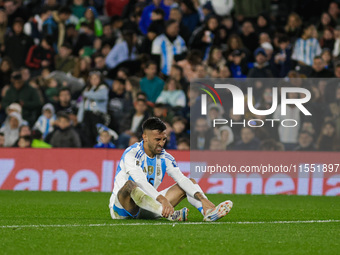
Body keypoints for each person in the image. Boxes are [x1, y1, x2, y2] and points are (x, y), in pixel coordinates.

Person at [109, 117, 233, 221]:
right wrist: (163, 200)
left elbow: (181, 179)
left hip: (149, 207)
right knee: (131, 185)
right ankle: (170, 215)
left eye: (164, 139)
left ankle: (208, 212)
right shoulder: (132, 153)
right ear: (145, 137)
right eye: (157, 139)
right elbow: (140, 181)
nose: (162, 143)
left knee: (189, 183)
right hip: (122, 209)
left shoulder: (165, 157)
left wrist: (203, 199)